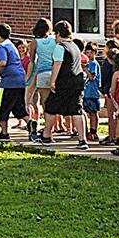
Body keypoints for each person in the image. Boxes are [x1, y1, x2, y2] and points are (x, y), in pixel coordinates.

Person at [45, 21, 88, 149]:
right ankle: (82, 140)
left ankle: (47, 136)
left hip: (64, 82)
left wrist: (52, 81)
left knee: (50, 106)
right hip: (77, 81)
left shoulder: (60, 47)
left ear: (58, 34)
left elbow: (57, 65)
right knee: (76, 110)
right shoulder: (74, 46)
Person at [0, 23, 28, 141]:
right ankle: (31, 123)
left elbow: (3, 62)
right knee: (19, 108)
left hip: (9, 81)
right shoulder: (11, 45)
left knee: (3, 107)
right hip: (20, 80)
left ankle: (4, 133)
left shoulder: (2, 47)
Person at [25, 19, 57, 142]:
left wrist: (28, 78)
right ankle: (50, 131)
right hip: (54, 72)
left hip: (42, 74)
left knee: (44, 104)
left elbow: (32, 61)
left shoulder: (35, 42)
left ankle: (47, 132)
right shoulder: (54, 40)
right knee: (51, 104)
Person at [82, 43, 103, 144]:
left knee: (93, 113)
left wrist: (85, 69)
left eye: (91, 52)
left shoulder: (94, 64)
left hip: (93, 92)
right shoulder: (88, 63)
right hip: (86, 92)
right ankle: (88, 131)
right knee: (87, 112)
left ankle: (93, 131)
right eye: (87, 52)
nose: (89, 55)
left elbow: (92, 77)